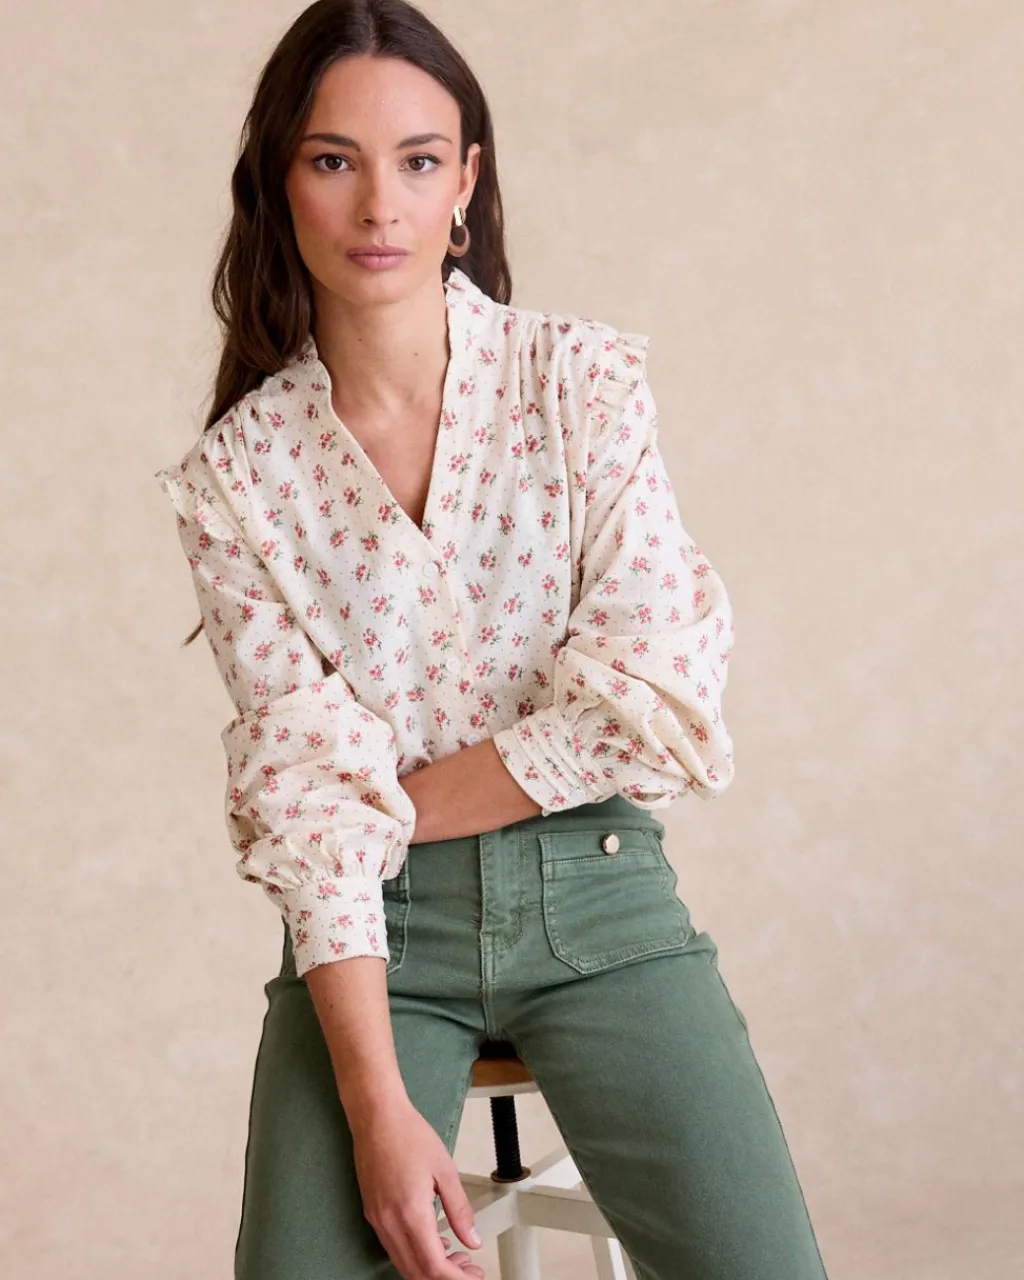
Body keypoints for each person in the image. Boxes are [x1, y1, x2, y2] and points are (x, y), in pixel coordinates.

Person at [155, 3, 830, 1278]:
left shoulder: (579, 384)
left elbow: (649, 697)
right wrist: (373, 1109)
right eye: (333, 159)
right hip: (370, 937)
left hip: (597, 891)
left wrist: (375, 807)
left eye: (417, 160)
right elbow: (309, 804)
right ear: (279, 184)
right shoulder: (238, 480)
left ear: (464, 181)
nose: (379, 205)